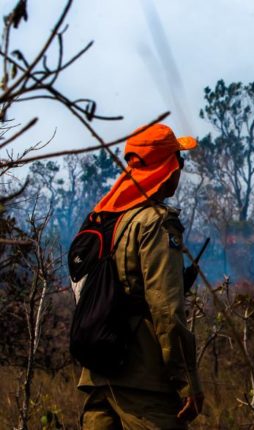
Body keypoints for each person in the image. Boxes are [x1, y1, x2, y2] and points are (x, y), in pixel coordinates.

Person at [78, 123, 204, 429]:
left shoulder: (104, 217)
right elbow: (166, 309)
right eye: (179, 160)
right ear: (168, 167)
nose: (181, 169)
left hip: (97, 375)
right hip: (141, 378)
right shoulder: (156, 222)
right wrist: (186, 380)